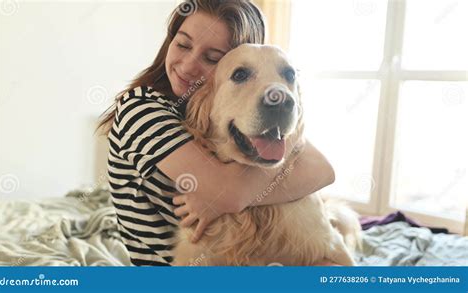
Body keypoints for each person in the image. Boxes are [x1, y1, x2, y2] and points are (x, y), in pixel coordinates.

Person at [97, 0, 335, 266]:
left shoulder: (225, 113)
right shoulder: (139, 109)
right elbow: (232, 193)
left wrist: (285, 134)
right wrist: (232, 196)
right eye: (183, 44)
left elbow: (324, 170)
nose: (187, 66)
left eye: (212, 58)